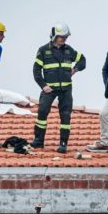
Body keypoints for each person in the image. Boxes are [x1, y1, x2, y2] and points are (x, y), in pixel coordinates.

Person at [31, 22, 86, 153]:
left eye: (65, 37)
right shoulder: (43, 50)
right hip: (49, 89)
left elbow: (83, 60)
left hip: (66, 89)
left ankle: (63, 144)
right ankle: (38, 141)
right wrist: (43, 86)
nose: (64, 39)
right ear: (54, 36)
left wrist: (75, 69)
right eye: (62, 37)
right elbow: (36, 70)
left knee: (65, 116)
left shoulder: (69, 50)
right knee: (42, 112)